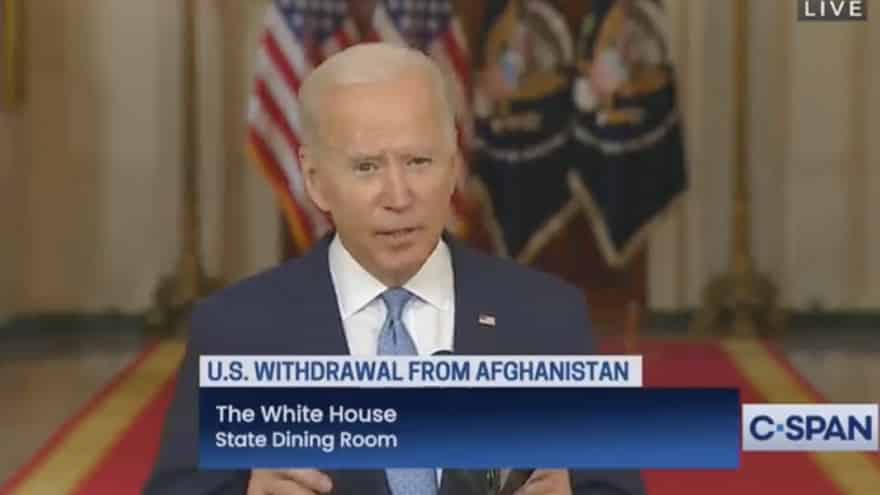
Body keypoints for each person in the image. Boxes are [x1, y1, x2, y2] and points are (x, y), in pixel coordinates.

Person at [145, 42, 645, 495]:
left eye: (419, 162)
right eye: (366, 167)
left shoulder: (547, 318)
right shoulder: (237, 330)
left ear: (454, 163)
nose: (399, 196)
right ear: (315, 180)